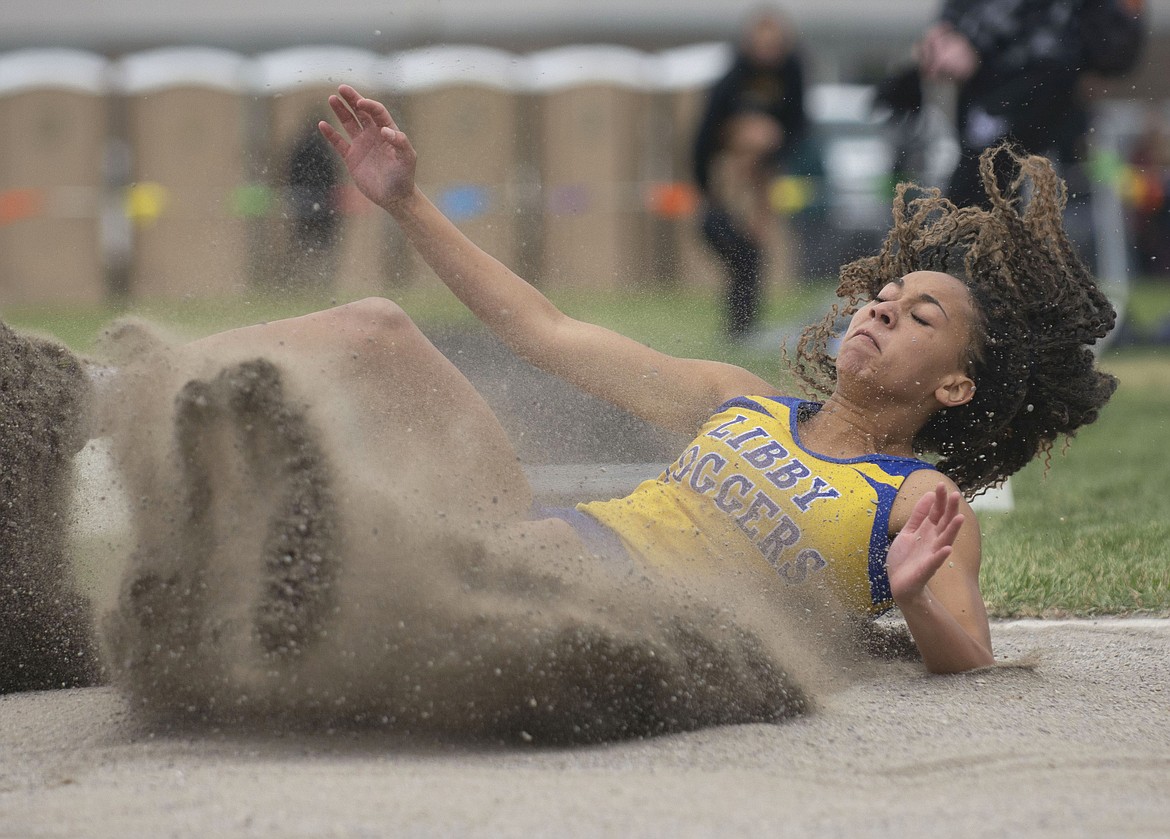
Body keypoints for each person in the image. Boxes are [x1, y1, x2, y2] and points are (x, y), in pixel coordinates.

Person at [2, 86, 1117, 722]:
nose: (881, 310)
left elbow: (967, 651)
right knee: (376, 328)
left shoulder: (916, 498)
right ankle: (76, 399)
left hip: (561, 608)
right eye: (890, 293)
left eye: (920, 318)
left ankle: (268, 619)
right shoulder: (743, 401)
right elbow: (546, 331)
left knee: (411, 605)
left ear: (955, 383)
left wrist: (921, 600)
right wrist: (408, 200)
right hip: (517, 533)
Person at [917, 0, 1145, 210]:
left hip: (1048, 107)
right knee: (980, 195)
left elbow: (1114, 53)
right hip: (994, 105)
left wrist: (969, 40)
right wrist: (951, 37)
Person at [693, 6, 808, 339]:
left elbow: (799, 126)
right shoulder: (732, 78)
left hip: (765, 174)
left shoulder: (792, 73)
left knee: (754, 252)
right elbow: (704, 135)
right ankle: (740, 327)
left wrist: (774, 144)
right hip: (728, 174)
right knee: (739, 250)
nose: (768, 51)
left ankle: (745, 327)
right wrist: (707, 188)